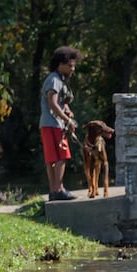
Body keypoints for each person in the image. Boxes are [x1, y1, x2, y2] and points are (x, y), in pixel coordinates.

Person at [40, 46, 82, 201]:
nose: (73, 69)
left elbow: (60, 102)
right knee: (60, 157)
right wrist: (68, 120)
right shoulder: (54, 79)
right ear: (60, 64)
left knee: (52, 159)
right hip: (53, 124)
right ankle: (59, 190)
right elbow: (52, 102)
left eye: (74, 66)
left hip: (48, 124)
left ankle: (53, 191)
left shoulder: (58, 80)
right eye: (70, 66)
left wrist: (67, 111)